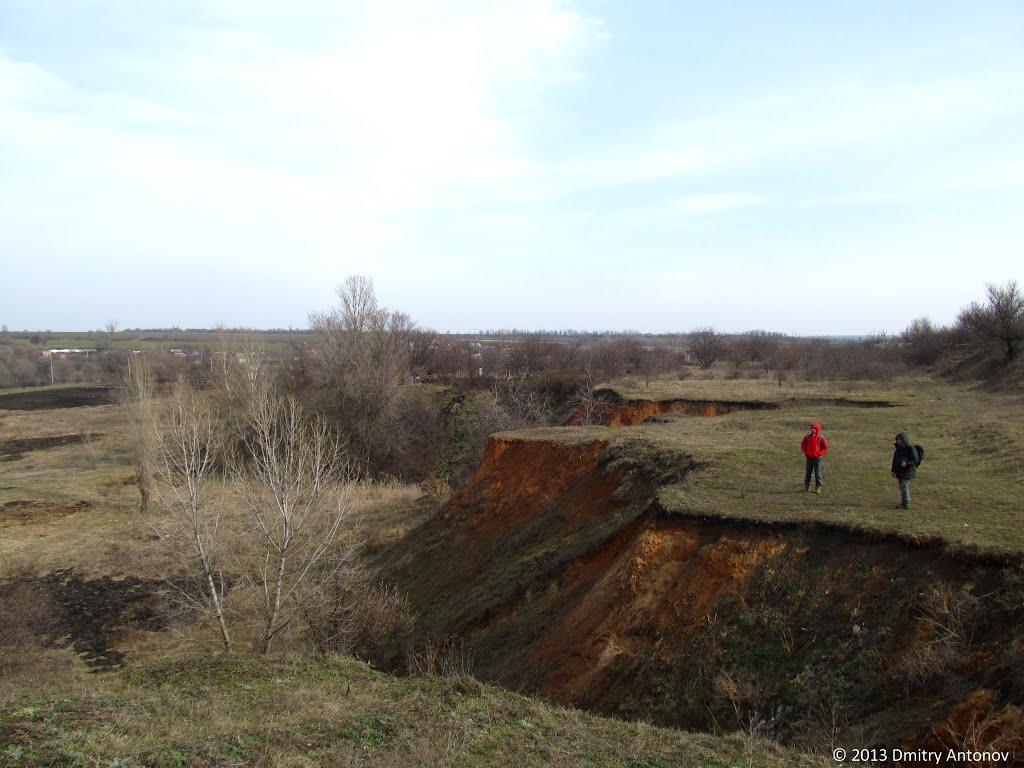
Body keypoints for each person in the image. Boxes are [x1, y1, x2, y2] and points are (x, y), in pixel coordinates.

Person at [891, 432, 919, 509]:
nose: (898, 441)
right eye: (897, 439)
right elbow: (895, 460)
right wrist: (893, 471)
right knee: (902, 487)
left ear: (904, 440)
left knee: (904, 486)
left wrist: (907, 463)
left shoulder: (910, 448)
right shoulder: (898, 449)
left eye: (899, 439)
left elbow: (915, 460)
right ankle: (904, 501)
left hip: (908, 471)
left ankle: (905, 504)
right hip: (900, 471)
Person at [801, 422, 829, 493]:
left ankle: (818, 487)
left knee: (817, 473)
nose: (812, 430)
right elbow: (803, 445)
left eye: (814, 429)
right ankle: (807, 487)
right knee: (808, 473)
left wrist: (819, 454)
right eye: (812, 429)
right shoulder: (807, 437)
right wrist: (806, 452)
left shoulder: (821, 438)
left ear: (817, 429)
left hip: (817, 459)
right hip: (809, 458)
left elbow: (825, 448)